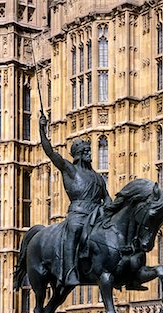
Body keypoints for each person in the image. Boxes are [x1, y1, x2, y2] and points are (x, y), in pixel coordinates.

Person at [39, 112, 111, 286]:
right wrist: (42, 129)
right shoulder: (70, 170)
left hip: (97, 215)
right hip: (78, 214)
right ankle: (70, 270)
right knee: (74, 230)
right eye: (86, 151)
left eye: (89, 151)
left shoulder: (98, 177)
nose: (89, 154)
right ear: (78, 154)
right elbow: (50, 153)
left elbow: (107, 199)